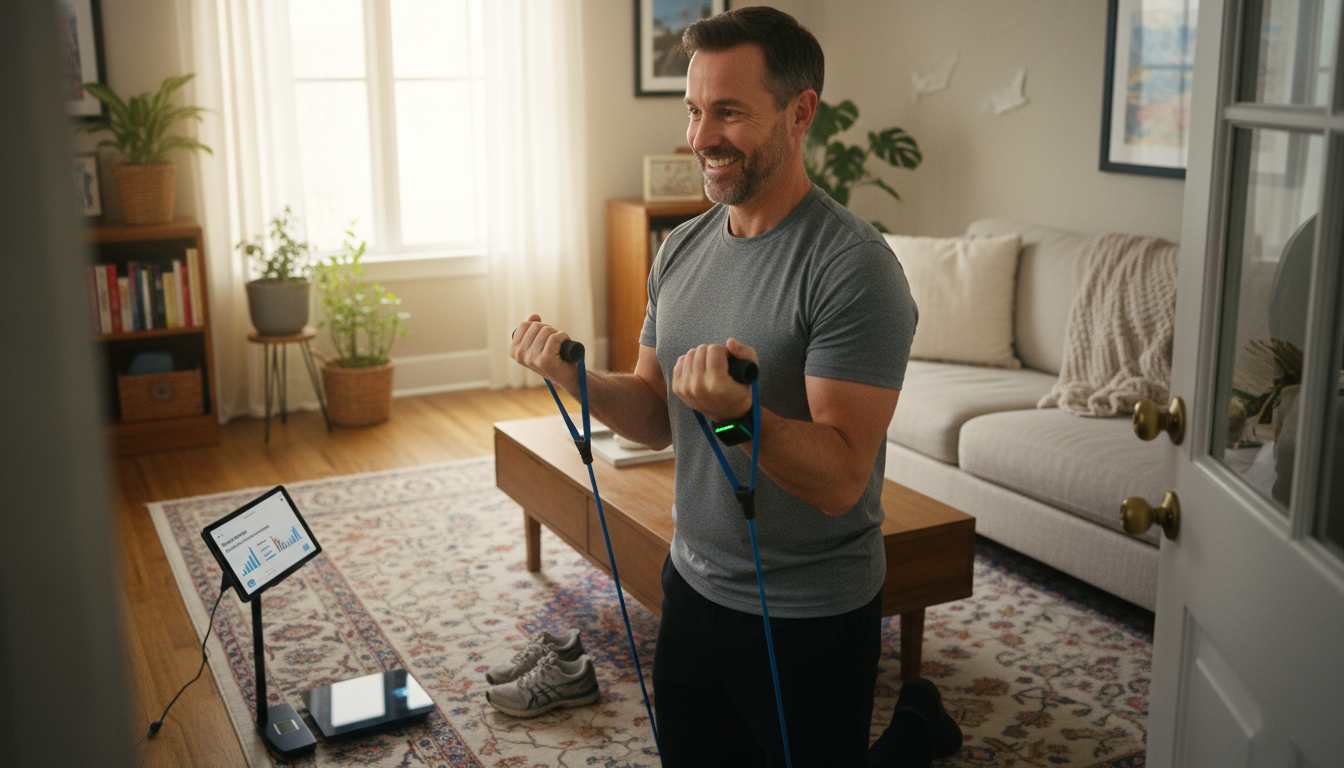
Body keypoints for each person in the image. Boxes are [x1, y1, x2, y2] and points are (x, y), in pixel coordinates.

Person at [511, 7, 960, 766]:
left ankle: (917, 729)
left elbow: (842, 480)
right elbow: (655, 418)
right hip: (691, 585)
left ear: (800, 113)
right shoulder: (681, 249)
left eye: (728, 111)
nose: (700, 136)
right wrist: (574, 376)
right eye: (693, 110)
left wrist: (739, 417)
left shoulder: (853, 269)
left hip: (811, 611)